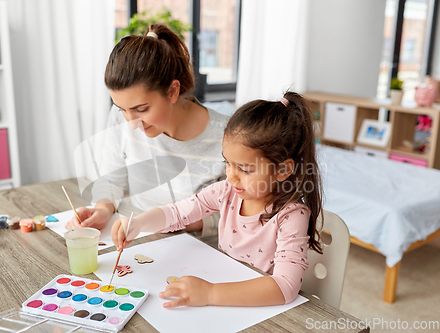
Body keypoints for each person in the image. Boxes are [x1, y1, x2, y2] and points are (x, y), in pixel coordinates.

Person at [111, 92, 324, 307]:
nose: (231, 175)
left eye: (245, 169)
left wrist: (210, 293)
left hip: (260, 308)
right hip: (225, 295)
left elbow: (285, 287)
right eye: (228, 163)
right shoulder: (227, 191)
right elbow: (177, 213)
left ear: (283, 170)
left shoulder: (291, 215)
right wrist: (139, 223)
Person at [65, 24, 229, 233]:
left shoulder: (228, 137)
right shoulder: (121, 119)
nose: (131, 123)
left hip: (195, 246)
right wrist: (103, 209)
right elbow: (111, 180)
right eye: (121, 108)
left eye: (141, 109)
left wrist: (157, 222)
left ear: (172, 91)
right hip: (138, 237)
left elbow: (234, 217)